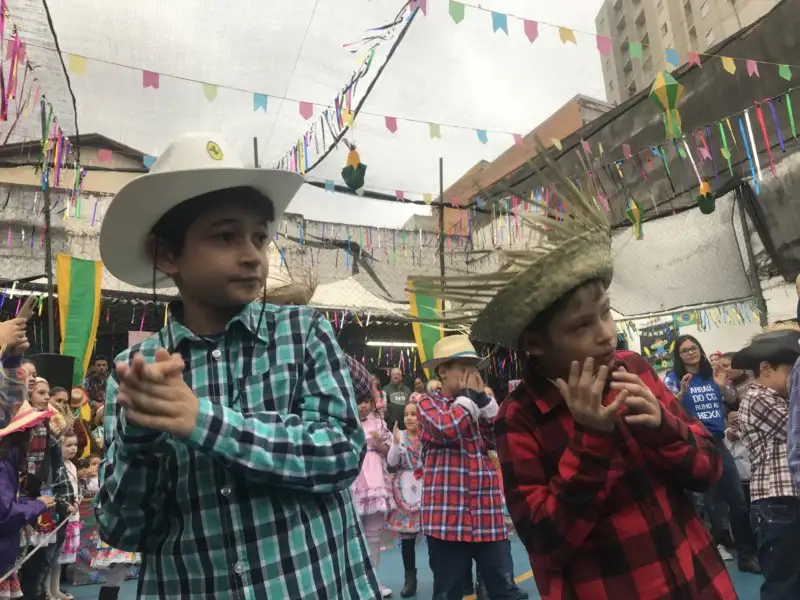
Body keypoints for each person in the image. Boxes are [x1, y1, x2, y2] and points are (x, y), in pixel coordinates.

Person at [410, 157, 737, 599]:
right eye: (582, 325)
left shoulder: (633, 370)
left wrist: (663, 425)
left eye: (605, 313)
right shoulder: (520, 418)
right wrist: (591, 440)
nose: (606, 334)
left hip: (699, 582)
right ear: (535, 343)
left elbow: (709, 470)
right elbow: (545, 544)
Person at [95, 133, 378, 598]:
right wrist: (138, 439)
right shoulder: (135, 373)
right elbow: (123, 529)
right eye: (226, 236)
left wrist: (203, 422)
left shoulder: (303, 333)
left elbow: (341, 454)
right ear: (167, 254)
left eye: (259, 237)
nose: (253, 255)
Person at [416, 334, 517, 600]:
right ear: (443, 371)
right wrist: (469, 398)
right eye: (464, 367)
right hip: (447, 518)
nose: (471, 374)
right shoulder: (427, 403)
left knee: (505, 590)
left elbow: (501, 439)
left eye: (473, 368)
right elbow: (446, 429)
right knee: (448, 593)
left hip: (487, 514)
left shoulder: (475, 405)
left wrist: (484, 403)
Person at [664, 335, 758, 571]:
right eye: (685, 350)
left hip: (717, 442)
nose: (690, 352)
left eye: (693, 348)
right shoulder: (673, 378)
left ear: (700, 350)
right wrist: (681, 393)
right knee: (699, 505)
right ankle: (702, 557)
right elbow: (666, 409)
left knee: (737, 500)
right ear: (678, 356)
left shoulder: (711, 375)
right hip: (692, 444)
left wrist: (720, 384)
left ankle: (746, 555)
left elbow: (731, 398)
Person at [734, 328, 800, 599]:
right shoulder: (758, 397)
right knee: (783, 582)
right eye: (790, 372)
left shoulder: (778, 398)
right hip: (777, 502)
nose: (794, 380)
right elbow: (794, 429)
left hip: (785, 501)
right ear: (765, 369)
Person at [0, 399, 56, 600]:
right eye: (31, 431)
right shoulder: (3, 465)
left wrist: (34, 503)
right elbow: (5, 515)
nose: (34, 436)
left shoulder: (8, 463)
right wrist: (37, 505)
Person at [347, 356, 393, 597]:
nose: (363, 406)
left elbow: (391, 455)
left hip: (376, 483)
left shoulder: (379, 423)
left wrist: (379, 443)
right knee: (353, 536)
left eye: (366, 401)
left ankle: (374, 580)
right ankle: (355, 583)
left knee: (374, 535)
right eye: (358, 402)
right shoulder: (345, 424)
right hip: (353, 485)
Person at [386, 402, 423, 598]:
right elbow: (391, 462)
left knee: (434, 538)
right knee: (407, 539)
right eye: (406, 414)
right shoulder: (399, 437)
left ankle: (442, 575)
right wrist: (394, 442)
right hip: (405, 490)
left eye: (413, 414)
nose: (409, 418)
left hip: (426, 488)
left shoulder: (427, 437)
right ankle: (410, 579)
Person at [50, 429, 81, 600]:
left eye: (75, 445)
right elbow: (54, 491)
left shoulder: (72, 466)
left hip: (70, 517)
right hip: (56, 517)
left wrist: (76, 500)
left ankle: (55, 590)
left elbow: (74, 489)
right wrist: (65, 505)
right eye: (68, 445)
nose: (73, 448)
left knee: (58, 558)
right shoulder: (55, 467)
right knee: (51, 557)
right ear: (58, 446)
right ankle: (48, 591)